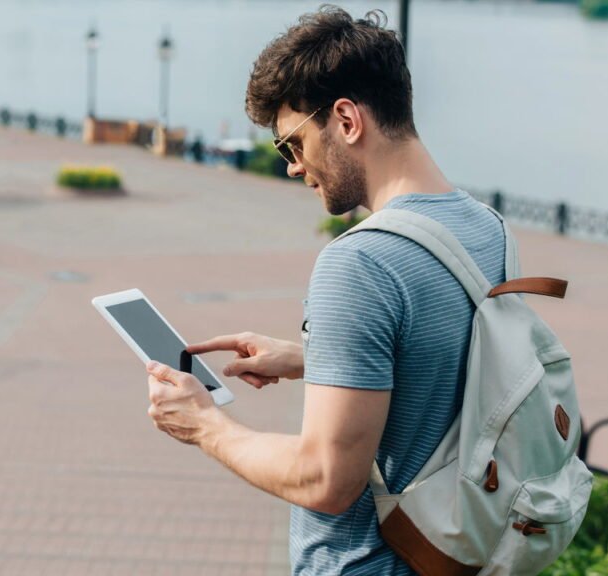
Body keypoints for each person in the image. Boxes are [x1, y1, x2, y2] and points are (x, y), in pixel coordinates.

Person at [145, 6, 506, 575]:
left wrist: (204, 426)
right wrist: (315, 358)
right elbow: (449, 368)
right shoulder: (485, 228)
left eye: (292, 144)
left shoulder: (359, 263)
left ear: (345, 119)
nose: (293, 167)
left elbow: (326, 480)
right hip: (460, 554)